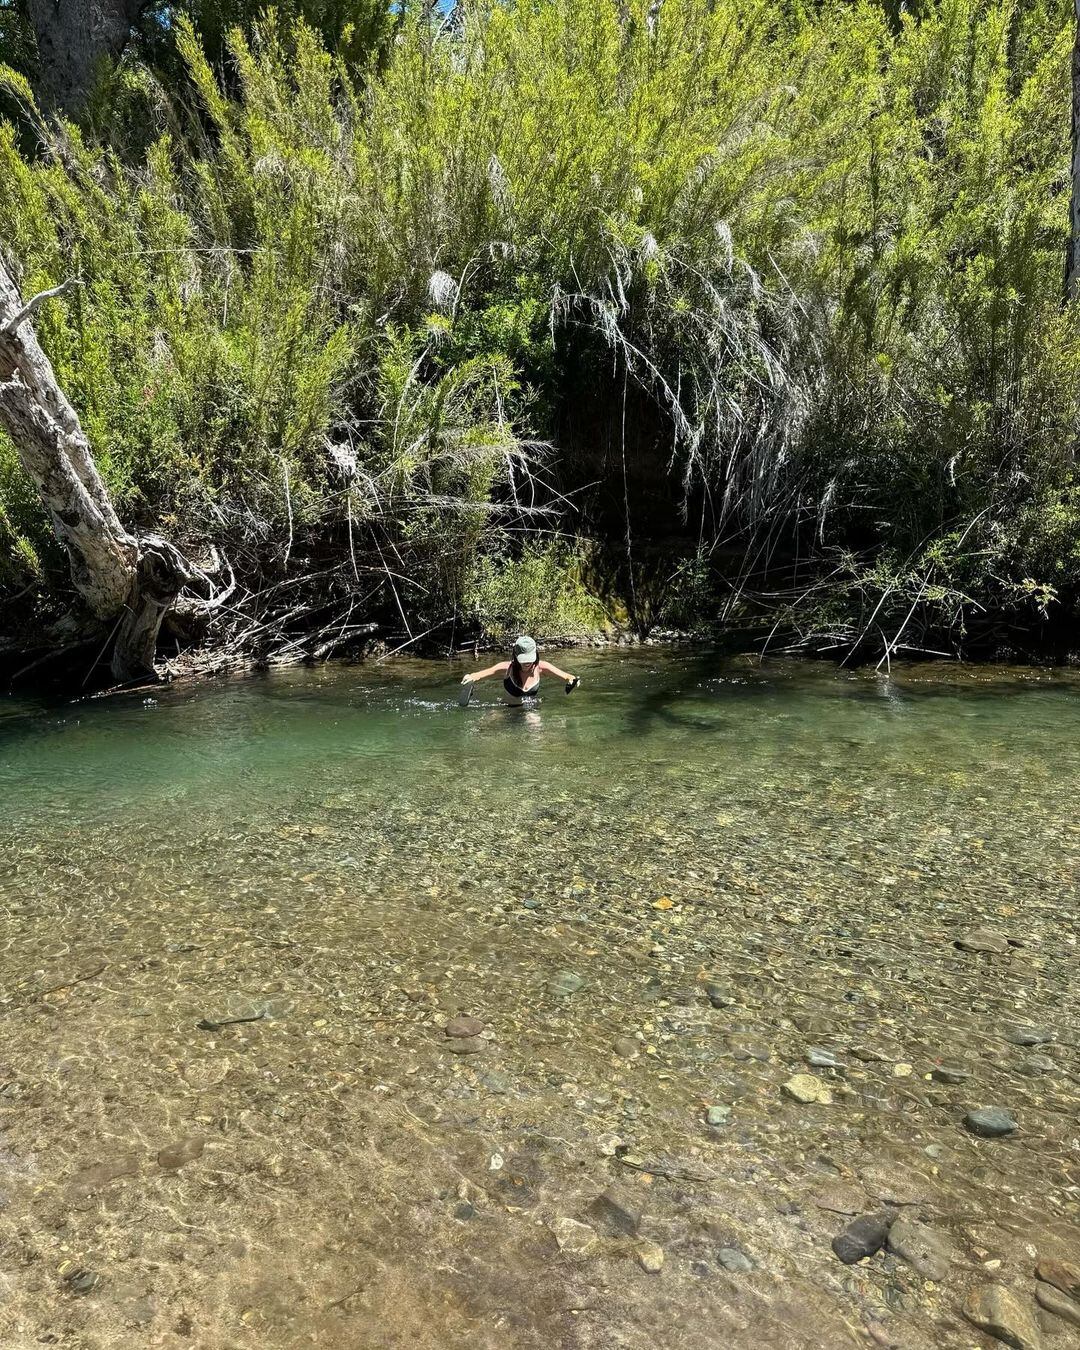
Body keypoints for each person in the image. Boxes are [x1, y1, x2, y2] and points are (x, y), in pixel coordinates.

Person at [460, 635, 579, 704]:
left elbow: (568, 677)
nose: (527, 663)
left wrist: (573, 681)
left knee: (535, 730)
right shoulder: (507, 668)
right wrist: (470, 678)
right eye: (523, 659)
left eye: (530, 659)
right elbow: (481, 674)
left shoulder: (542, 668)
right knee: (484, 725)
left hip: (531, 711)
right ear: (515, 656)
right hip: (507, 709)